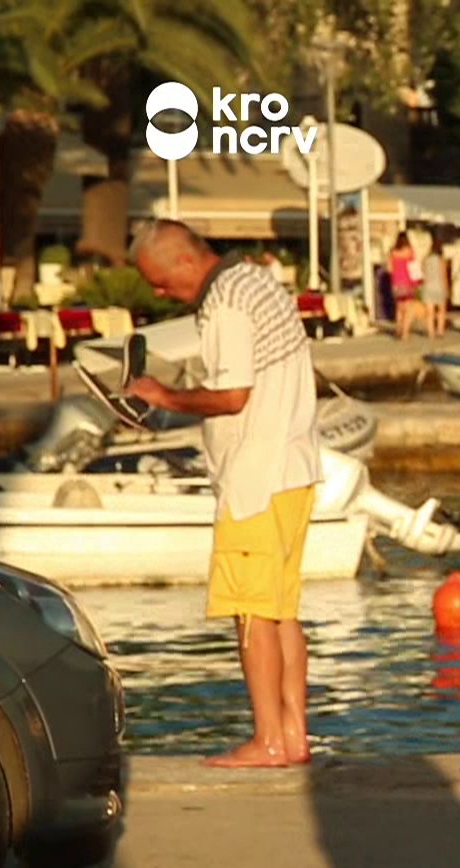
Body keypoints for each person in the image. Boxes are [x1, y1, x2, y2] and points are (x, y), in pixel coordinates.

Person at [126, 220, 322, 768]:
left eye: (161, 281)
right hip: (295, 467)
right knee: (281, 612)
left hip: (255, 478)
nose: (160, 291)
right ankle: (295, 735)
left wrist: (163, 395)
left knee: (251, 614)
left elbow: (233, 395)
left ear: (186, 262)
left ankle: (268, 740)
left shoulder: (226, 305)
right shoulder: (258, 281)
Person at [390, 232, 419, 340]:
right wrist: (417, 282)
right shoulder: (409, 251)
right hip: (408, 283)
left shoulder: (393, 252)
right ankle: (405, 333)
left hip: (396, 283)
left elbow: (390, 269)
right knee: (409, 309)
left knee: (399, 308)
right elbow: (414, 267)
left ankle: (398, 329)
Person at [421, 234, 448, 338]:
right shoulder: (441, 259)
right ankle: (440, 331)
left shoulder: (425, 259)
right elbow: (444, 275)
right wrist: (447, 288)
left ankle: (431, 332)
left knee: (430, 312)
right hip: (439, 286)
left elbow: (423, 273)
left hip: (428, 286)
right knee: (441, 310)